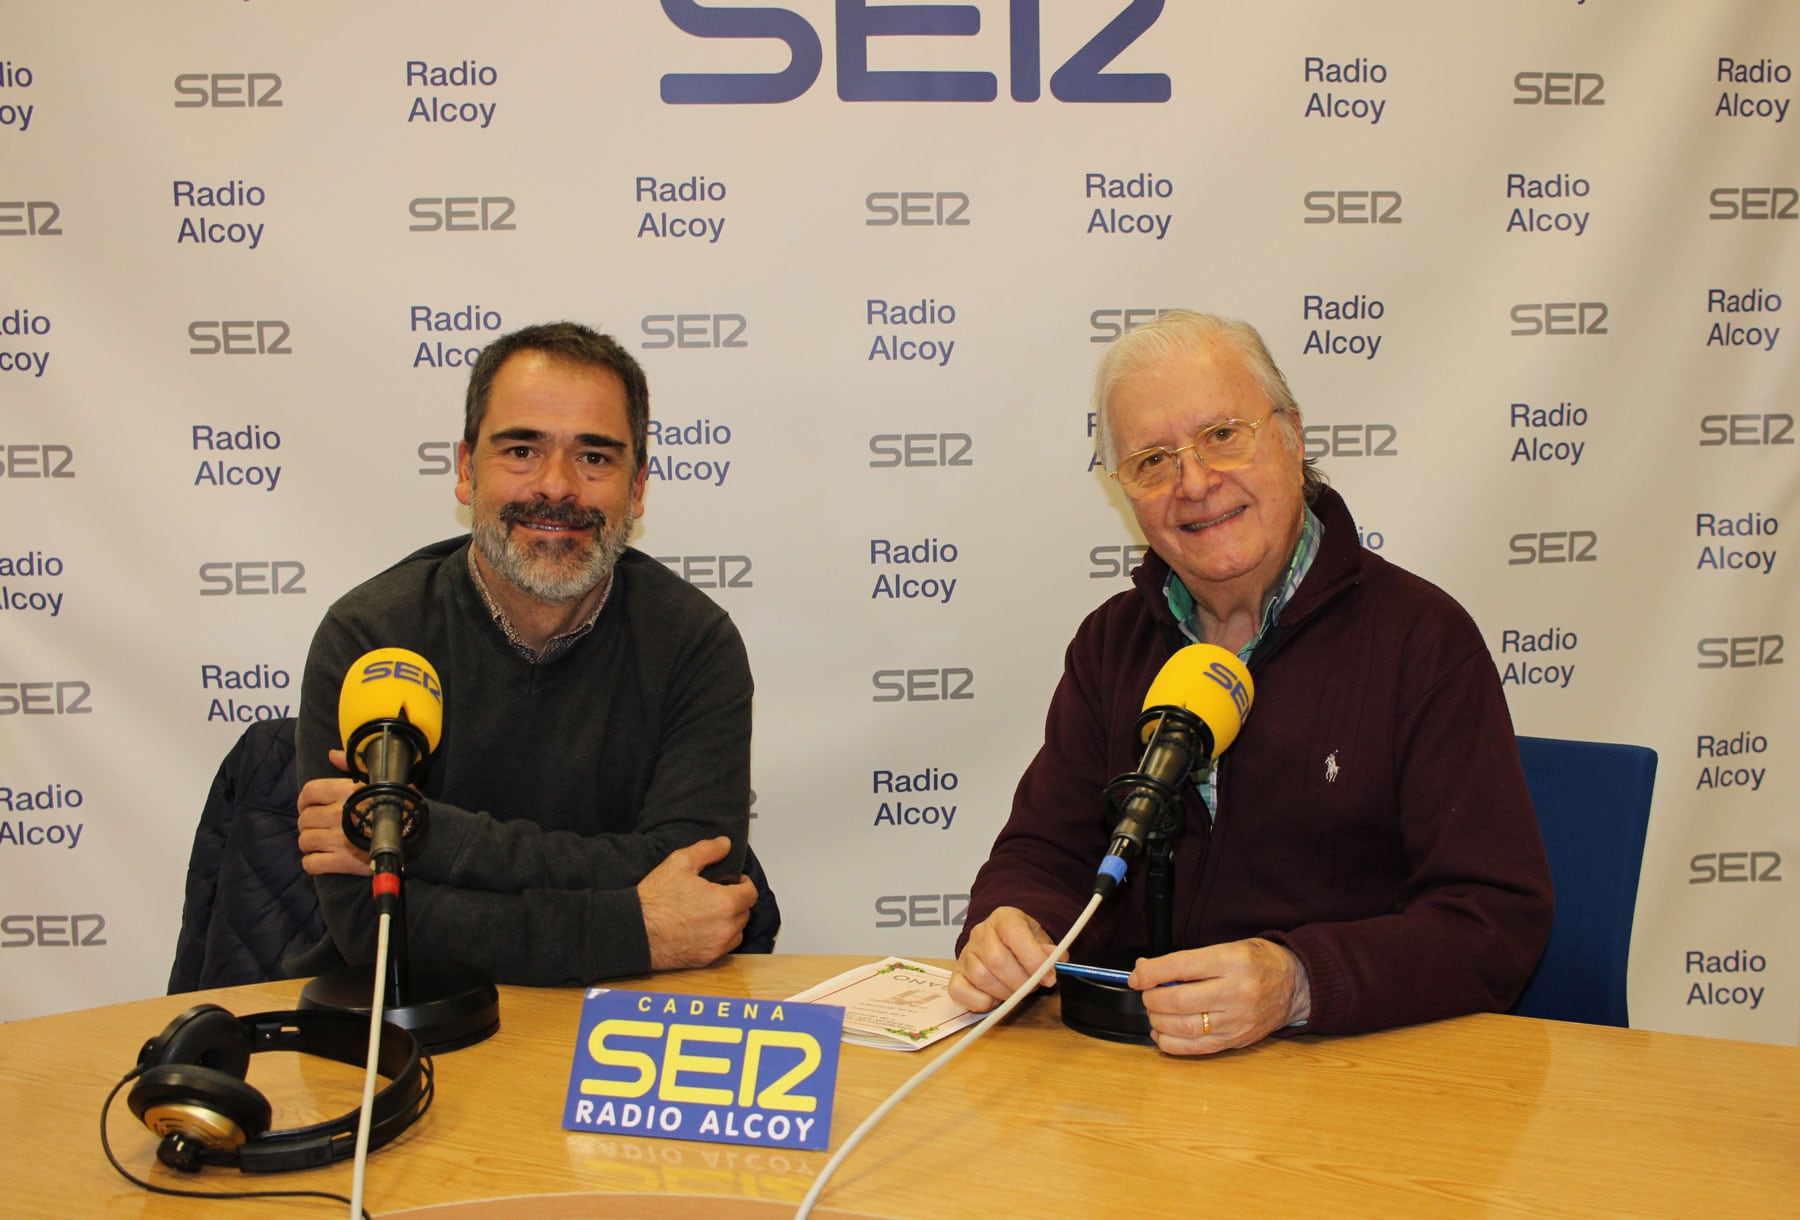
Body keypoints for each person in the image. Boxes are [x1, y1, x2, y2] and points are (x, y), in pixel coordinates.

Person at [950, 311, 1553, 1054]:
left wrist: (1300, 980)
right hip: (1131, 1091)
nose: (1195, 483)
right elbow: (1040, 855)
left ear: (1294, 440)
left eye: (1223, 436)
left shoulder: (1421, 640)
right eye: (1152, 460)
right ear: (1125, 492)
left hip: (1349, 1090)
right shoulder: (1113, 642)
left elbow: (1495, 918)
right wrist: (1012, 922)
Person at [289, 321, 757, 986]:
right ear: (463, 468)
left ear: (639, 486)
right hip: (418, 1028)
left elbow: (698, 881)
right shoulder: (372, 637)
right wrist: (632, 927)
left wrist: (425, 836)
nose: (557, 487)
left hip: (633, 1025)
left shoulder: (694, 643)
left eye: (595, 457)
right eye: (521, 450)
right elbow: (377, 927)